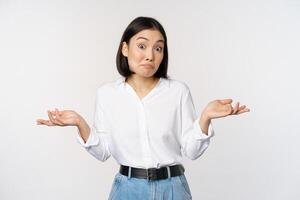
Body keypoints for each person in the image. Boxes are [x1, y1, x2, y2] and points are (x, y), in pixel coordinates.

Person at [37, 16, 250, 200]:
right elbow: (102, 152)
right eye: (142, 46)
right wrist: (79, 123)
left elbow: (192, 152)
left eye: (158, 48)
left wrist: (205, 118)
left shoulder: (178, 91)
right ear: (125, 48)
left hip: (173, 188)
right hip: (128, 190)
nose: (150, 55)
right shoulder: (107, 94)